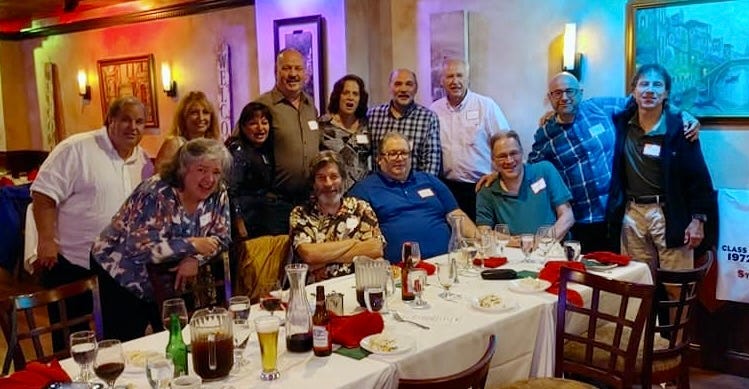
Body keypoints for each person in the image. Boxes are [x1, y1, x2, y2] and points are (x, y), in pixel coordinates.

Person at [526, 72, 701, 253]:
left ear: (580, 92)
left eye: (570, 91)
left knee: (621, 274)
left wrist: (682, 115)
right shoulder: (545, 135)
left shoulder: (600, 108)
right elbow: (532, 174)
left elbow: (642, 102)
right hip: (581, 222)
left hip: (619, 216)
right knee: (586, 277)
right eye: (557, 93)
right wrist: (498, 178)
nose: (564, 97)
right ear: (550, 97)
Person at [31, 96, 154, 350]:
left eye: (140, 122)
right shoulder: (77, 149)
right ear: (109, 120)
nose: (133, 127)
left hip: (121, 269)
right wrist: (45, 240)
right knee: (72, 345)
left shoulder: (142, 161)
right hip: (74, 263)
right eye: (125, 120)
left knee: (122, 342)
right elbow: (43, 195)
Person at [91, 138, 232, 341]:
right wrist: (191, 244)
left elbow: (222, 237)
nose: (210, 179)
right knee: (127, 345)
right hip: (121, 273)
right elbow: (138, 248)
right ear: (183, 169)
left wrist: (195, 259)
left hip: (165, 276)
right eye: (201, 170)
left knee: (172, 338)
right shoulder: (156, 194)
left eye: (216, 172)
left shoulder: (219, 193)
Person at [608, 64, 715, 275]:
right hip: (632, 214)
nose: (650, 90)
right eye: (644, 84)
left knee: (676, 284)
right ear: (634, 91)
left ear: (666, 93)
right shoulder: (621, 122)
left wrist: (698, 221)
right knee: (636, 283)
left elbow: (699, 179)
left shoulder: (680, 129)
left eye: (657, 85)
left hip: (670, 215)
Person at [349, 132, 475, 262]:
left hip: (446, 261)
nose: (400, 158)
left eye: (404, 153)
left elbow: (457, 215)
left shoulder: (429, 180)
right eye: (392, 154)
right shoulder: (364, 190)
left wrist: (480, 242)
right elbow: (357, 238)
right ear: (379, 159)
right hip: (399, 269)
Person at [430, 59, 510, 222]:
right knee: (455, 238)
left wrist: (498, 173)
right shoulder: (434, 110)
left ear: (467, 79)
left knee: (483, 236)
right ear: (442, 81)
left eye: (459, 75)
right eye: (449, 76)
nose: (455, 81)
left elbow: (505, 142)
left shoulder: (486, 106)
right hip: (448, 188)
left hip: (482, 186)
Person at [290, 151, 384, 283]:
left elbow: (376, 249)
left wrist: (323, 258)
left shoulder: (361, 208)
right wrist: (353, 243)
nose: (328, 184)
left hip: (358, 285)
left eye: (334, 176)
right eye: (321, 178)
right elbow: (309, 255)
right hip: (317, 292)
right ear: (313, 183)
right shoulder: (301, 214)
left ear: (344, 180)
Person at [255, 48, 319, 232]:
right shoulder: (262, 105)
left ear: (305, 73)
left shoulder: (310, 105)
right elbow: (239, 148)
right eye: (286, 68)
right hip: (276, 205)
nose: (293, 74)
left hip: (309, 202)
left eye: (298, 69)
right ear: (276, 71)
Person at [476, 131, 574, 240]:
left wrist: (544, 241)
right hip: (512, 253)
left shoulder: (545, 171)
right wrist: (518, 243)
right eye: (502, 156)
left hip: (552, 249)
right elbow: (484, 231)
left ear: (522, 153)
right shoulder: (487, 190)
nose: (509, 160)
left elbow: (567, 215)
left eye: (513, 153)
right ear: (493, 160)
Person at [225, 102, 286, 238]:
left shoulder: (265, 150)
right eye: (253, 123)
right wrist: (239, 222)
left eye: (264, 123)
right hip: (247, 221)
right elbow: (231, 190)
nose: (260, 128)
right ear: (243, 127)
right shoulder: (238, 150)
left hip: (263, 218)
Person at [367, 69, 442, 176]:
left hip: (414, 188)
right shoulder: (373, 116)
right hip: (379, 188)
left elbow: (431, 163)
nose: (403, 89)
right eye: (398, 84)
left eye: (409, 84)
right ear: (390, 87)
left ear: (416, 88)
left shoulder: (428, 118)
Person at [319, 74, 372, 191]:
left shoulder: (366, 125)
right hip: (332, 190)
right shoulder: (323, 125)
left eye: (355, 94)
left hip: (363, 192)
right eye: (346, 93)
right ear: (338, 96)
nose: (350, 97)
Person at [155, 91, 221, 170]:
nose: (201, 118)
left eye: (205, 112)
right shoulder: (175, 144)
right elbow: (159, 178)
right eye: (194, 113)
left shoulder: (214, 146)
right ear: (183, 117)